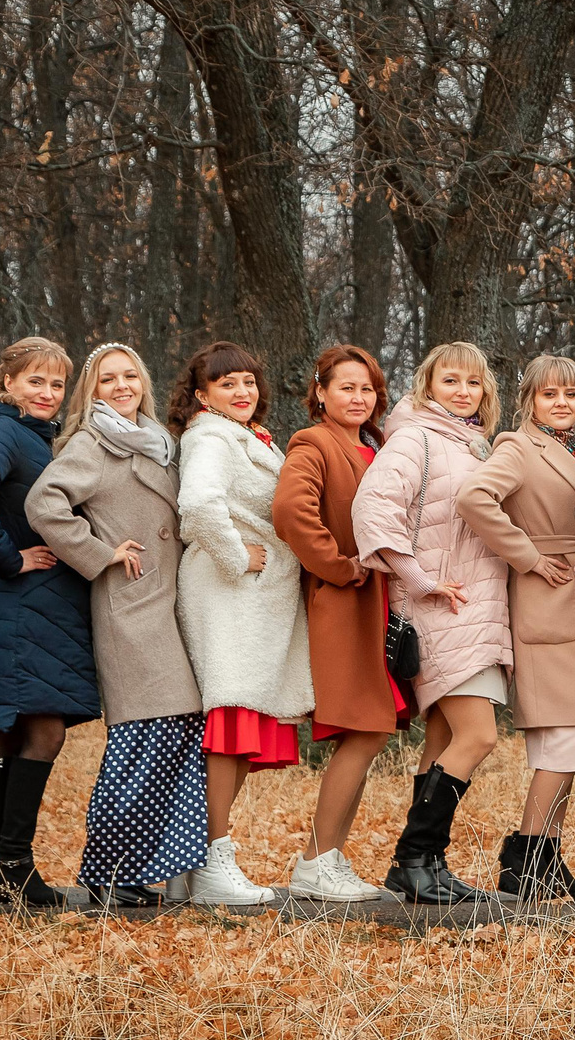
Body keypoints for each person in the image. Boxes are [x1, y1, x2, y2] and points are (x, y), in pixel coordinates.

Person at [26, 344, 203, 907]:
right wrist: (99, 552)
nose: (122, 385)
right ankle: (107, 872)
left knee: (172, 731)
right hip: (130, 607)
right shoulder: (93, 443)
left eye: (130, 375)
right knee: (141, 736)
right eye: (108, 379)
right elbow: (44, 502)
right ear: (93, 390)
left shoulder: (157, 442)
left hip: (169, 604)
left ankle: (144, 868)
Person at [353, 342, 512, 905]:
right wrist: (418, 579)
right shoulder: (415, 438)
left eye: (473, 383)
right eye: (450, 382)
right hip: (442, 609)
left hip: (473, 609)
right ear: (427, 387)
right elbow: (373, 510)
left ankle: (425, 866)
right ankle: (413, 858)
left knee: (444, 736)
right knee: (479, 735)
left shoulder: (471, 443)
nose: (463, 392)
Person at [457, 354, 575, 902]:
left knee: (571, 740)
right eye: (550, 395)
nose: (562, 403)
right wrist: (526, 556)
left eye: (571, 394)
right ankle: (526, 857)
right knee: (563, 737)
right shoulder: (519, 447)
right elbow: (473, 498)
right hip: (547, 596)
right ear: (529, 401)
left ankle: (544, 856)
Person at [0, 336, 92, 905]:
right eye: (36, 381)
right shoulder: (3, 430)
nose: (48, 394)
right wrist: (10, 556)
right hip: (22, 601)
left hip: (33, 606)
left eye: (58, 384)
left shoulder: (31, 438)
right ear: (7, 382)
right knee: (44, 731)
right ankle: (13, 861)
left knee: (11, 730)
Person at [172, 341, 315, 906]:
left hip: (252, 600)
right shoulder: (210, 436)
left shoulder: (248, 436)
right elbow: (200, 505)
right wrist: (238, 556)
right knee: (229, 726)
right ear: (202, 394)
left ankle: (197, 859)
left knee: (237, 726)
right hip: (228, 593)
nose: (242, 392)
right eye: (227, 383)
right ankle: (211, 860)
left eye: (248, 381)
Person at [271, 345, 402, 904]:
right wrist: (340, 567)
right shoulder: (314, 442)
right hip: (342, 603)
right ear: (320, 392)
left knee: (370, 732)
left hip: (377, 604)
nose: (358, 397)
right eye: (346, 387)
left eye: (367, 389)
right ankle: (317, 859)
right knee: (366, 729)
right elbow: (290, 513)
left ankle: (326, 858)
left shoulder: (373, 449)